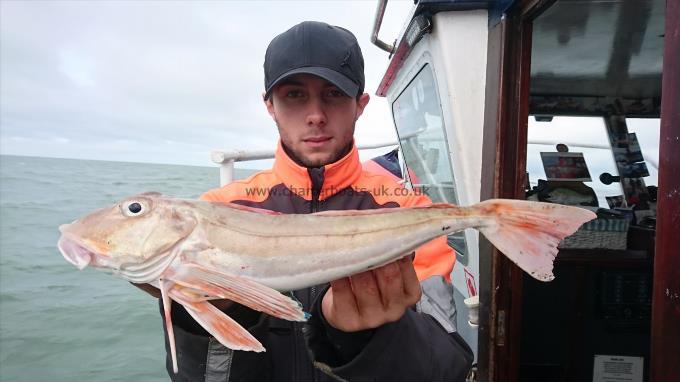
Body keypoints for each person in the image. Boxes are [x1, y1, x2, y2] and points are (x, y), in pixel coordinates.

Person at [137, 21, 473, 381]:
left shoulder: (410, 214)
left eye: (334, 94)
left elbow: (446, 370)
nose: (316, 115)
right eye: (294, 95)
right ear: (270, 106)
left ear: (360, 105)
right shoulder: (220, 209)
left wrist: (364, 339)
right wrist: (207, 317)